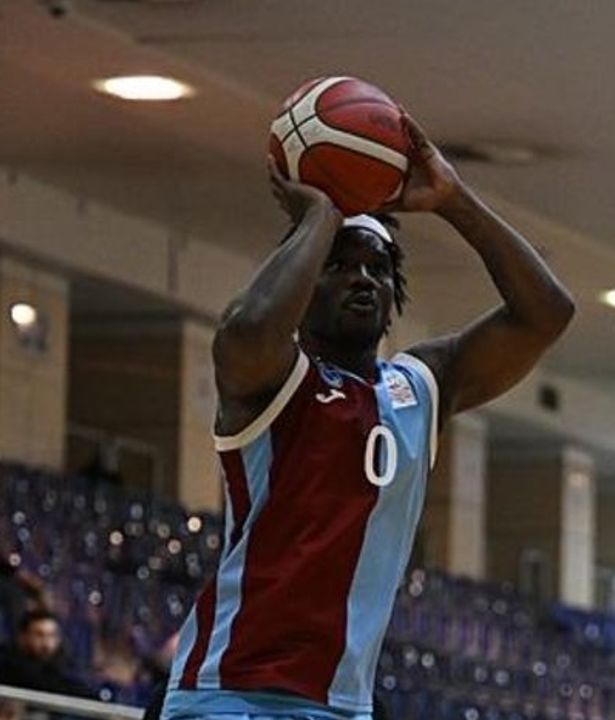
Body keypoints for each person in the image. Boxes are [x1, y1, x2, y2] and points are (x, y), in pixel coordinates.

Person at [163, 113, 574, 720]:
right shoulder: (272, 379)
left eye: (377, 268)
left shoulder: (421, 387)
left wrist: (455, 201)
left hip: (343, 704)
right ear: (304, 283)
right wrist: (320, 215)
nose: (363, 279)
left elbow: (547, 313)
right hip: (229, 691)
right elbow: (247, 329)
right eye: (338, 265)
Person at [0, 610, 94, 699]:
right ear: (23, 637)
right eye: (39, 635)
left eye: (51, 636)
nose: (46, 644)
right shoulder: (11, 666)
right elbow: (47, 686)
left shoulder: (61, 666)